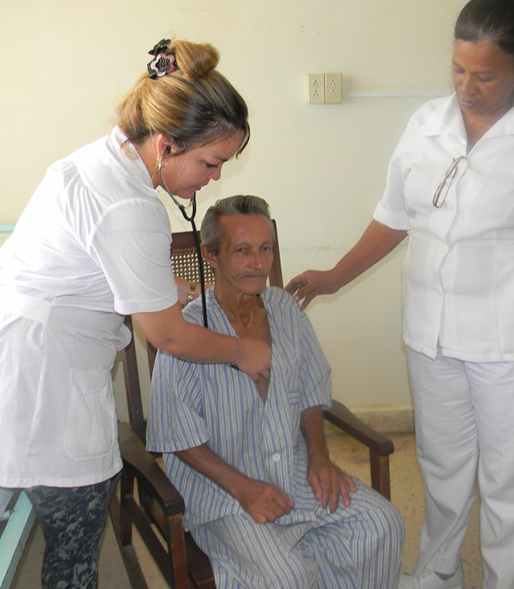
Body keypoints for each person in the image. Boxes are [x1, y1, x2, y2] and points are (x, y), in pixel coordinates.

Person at [286, 0, 514, 589]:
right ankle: (437, 573)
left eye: (484, 74)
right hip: (431, 333)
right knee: (441, 466)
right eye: (458, 69)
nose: (467, 86)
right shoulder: (426, 124)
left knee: (512, 484)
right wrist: (334, 276)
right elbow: (394, 217)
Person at [0, 39, 271, 589]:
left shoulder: (101, 159)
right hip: (43, 378)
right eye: (211, 162)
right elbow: (168, 337)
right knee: (77, 543)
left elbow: (100, 263)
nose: (215, 178)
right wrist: (245, 352)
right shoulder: (130, 206)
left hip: (11, 347)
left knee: (70, 522)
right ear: (168, 144)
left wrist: (166, 282)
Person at [146, 195, 406, 589]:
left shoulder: (284, 308)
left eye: (266, 248)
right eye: (243, 251)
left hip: (294, 471)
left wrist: (319, 457)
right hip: (224, 492)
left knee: (380, 525)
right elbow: (177, 436)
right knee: (287, 577)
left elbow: (310, 389)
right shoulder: (187, 334)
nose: (259, 262)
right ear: (211, 256)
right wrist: (244, 489)